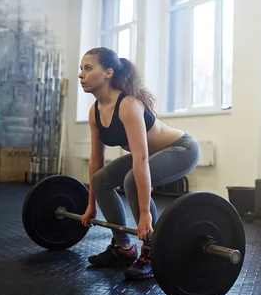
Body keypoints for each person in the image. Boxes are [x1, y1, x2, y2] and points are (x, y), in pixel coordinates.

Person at [78, 47, 200, 280]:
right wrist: (90, 203)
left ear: (108, 73)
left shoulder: (128, 105)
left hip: (181, 149)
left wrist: (145, 214)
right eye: (81, 69)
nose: (81, 75)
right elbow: (96, 160)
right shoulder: (95, 112)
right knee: (101, 179)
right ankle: (123, 248)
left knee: (132, 179)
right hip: (150, 155)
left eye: (88, 68)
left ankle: (152, 250)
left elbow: (141, 159)